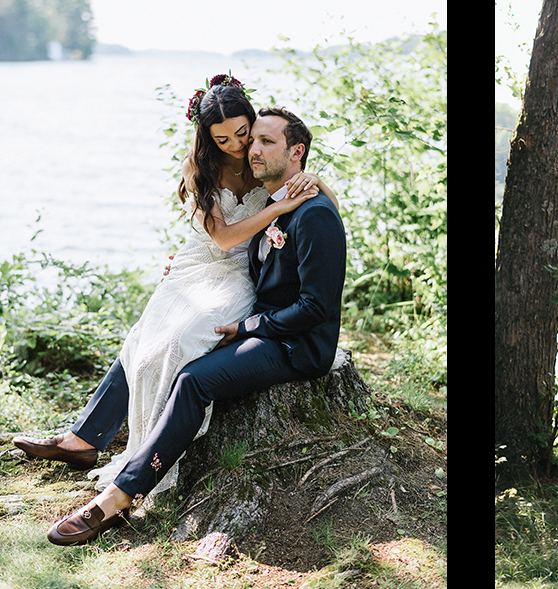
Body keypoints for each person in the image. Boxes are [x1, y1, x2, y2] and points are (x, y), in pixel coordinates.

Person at [22, 97, 346, 546]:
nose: (247, 149)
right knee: (157, 345)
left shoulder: (313, 214)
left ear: (297, 152)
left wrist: (249, 328)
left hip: (298, 344)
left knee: (191, 375)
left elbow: (316, 308)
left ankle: (118, 497)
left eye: (260, 140)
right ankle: (103, 456)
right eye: (248, 141)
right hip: (262, 315)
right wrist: (192, 264)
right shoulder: (271, 195)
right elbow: (236, 247)